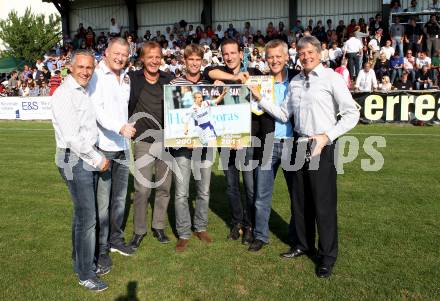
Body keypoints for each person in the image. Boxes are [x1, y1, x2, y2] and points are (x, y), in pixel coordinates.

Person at [256, 36, 360, 278]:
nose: (306, 56)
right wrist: (259, 99)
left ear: (320, 53)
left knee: (323, 204)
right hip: (299, 144)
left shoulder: (331, 78)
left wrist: (327, 136)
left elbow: (351, 113)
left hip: (321, 145)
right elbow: (283, 114)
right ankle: (303, 244)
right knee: (300, 202)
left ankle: (327, 256)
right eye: (302, 53)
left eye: (311, 52)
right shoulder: (296, 82)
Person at [51, 49, 110, 291]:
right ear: (70, 68)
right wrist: (98, 159)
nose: (86, 71)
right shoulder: (64, 94)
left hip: (83, 157)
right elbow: (73, 138)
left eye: (89, 67)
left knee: (82, 216)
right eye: (81, 67)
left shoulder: (83, 91)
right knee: (88, 219)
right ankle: (86, 274)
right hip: (74, 159)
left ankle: (81, 263)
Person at [203, 38, 262, 244]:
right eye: (225, 53)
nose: (229, 57)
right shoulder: (219, 74)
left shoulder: (253, 73)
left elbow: (263, 97)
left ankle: (250, 224)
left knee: (249, 185)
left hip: (246, 139)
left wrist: (246, 82)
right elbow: (209, 71)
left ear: (240, 53)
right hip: (225, 139)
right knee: (230, 185)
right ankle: (237, 222)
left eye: (232, 53)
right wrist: (233, 79)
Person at [87, 38, 136, 274]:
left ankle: (116, 240)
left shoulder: (125, 77)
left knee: (119, 199)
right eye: (116, 53)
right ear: (106, 53)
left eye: (124, 54)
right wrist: (119, 127)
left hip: (122, 146)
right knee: (102, 203)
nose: (119, 57)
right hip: (104, 146)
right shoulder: (96, 76)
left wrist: (123, 131)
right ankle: (101, 249)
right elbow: (97, 111)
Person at [246, 40, 299, 252]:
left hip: (294, 143)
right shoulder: (260, 81)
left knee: (297, 195)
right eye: (271, 57)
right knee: (262, 194)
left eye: (279, 56)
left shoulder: (298, 78)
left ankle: (297, 237)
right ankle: (260, 235)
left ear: (287, 57)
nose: (275, 60)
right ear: (265, 59)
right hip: (267, 143)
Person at [128, 41, 175, 250]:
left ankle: (158, 226)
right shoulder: (132, 79)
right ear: (142, 59)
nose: (154, 61)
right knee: (142, 189)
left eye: (157, 57)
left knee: (164, 188)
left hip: (167, 141)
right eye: (150, 57)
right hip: (143, 142)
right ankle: (139, 231)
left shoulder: (169, 79)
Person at [169, 44, 214, 252]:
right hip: (183, 145)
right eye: (190, 60)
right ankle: (184, 232)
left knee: (204, 190)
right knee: (181, 192)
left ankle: (201, 227)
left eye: (198, 59)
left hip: (205, 143)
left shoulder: (209, 84)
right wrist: (180, 135)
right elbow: (173, 116)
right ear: (184, 61)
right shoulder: (174, 84)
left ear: (202, 61)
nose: (194, 63)